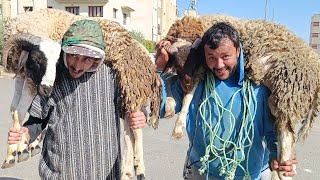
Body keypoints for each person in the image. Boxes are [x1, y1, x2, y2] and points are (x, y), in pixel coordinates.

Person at [156, 22, 298, 179]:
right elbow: (162, 109)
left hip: (249, 175)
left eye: (225, 57)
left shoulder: (259, 87)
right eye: (211, 57)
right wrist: (161, 68)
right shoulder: (195, 82)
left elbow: (272, 132)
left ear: (237, 51)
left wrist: (279, 157)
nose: (219, 65)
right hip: (201, 171)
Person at [7, 20, 146, 179]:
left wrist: (141, 114)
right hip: (60, 174)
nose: (77, 65)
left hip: (106, 174)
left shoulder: (111, 77)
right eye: (73, 55)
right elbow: (38, 120)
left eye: (87, 58)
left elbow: (130, 107)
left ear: (96, 59)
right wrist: (26, 132)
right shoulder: (53, 77)